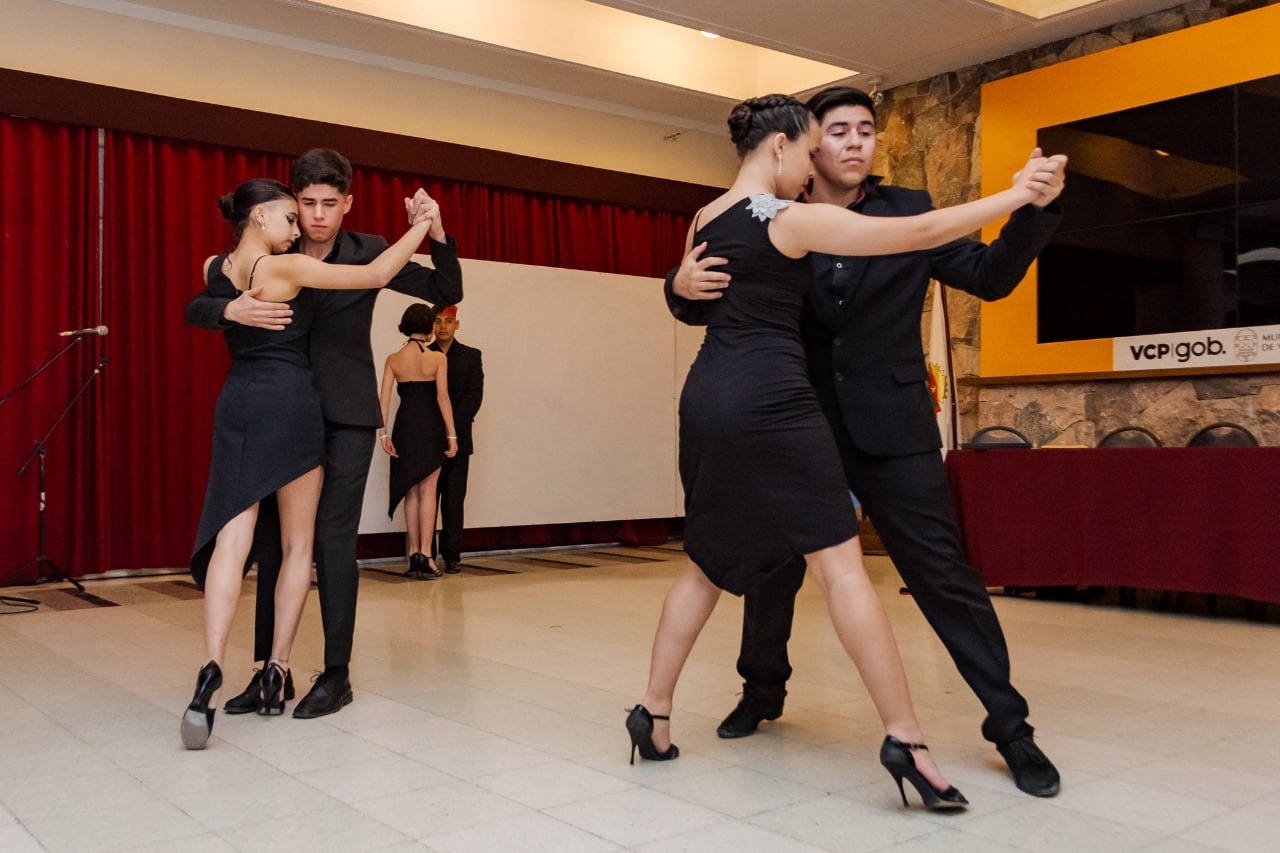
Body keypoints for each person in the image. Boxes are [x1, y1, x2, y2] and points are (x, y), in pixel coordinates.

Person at [629, 93, 1065, 811]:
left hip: (859, 421)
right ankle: (799, 706)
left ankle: (1010, 728)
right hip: (789, 415)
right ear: (796, 146)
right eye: (834, 134)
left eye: (868, 130)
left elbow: (985, 274)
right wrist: (675, 287)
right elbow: (706, 288)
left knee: (931, 574)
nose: (855, 143)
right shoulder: (790, 213)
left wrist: (1033, 208)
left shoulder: (730, 211)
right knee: (796, 574)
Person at [184, 149, 463, 720]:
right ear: (288, 204)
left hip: (346, 414)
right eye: (305, 204)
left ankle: (336, 675)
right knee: (273, 546)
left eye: (327, 204)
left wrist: (434, 230)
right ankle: (271, 671)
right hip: (285, 409)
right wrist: (229, 314)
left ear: (347, 204)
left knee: (331, 541)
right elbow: (200, 303)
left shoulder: (365, 250)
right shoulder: (274, 251)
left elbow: (445, 288)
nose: (315, 215)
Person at [379, 302, 458, 578]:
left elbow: (384, 399)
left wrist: (383, 433)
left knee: (410, 491)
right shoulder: (438, 359)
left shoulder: (394, 358)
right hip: (431, 427)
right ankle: (426, 553)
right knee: (429, 491)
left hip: (405, 427)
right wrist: (452, 435)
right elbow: (442, 397)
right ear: (428, 327)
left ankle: (413, 553)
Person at [426, 305, 484, 574]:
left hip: (459, 438)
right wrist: (437, 429)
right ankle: (426, 553)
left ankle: (452, 555)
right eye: (437, 321)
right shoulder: (424, 354)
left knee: (453, 498)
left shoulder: (471, 356)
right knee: (427, 497)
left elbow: (474, 397)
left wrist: (453, 430)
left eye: (448, 321)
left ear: (457, 324)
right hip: (428, 437)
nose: (443, 327)